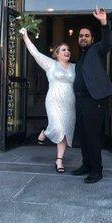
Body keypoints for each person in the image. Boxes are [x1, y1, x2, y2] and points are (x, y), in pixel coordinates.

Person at [20, 28, 75, 173]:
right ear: (57, 54)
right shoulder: (50, 64)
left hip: (70, 101)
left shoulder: (75, 68)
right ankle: (45, 132)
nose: (67, 51)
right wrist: (25, 36)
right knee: (57, 127)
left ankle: (59, 160)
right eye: (63, 50)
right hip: (54, 100)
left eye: (68, 49)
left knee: (65, 130)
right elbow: (35, 53)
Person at [72, 8, 112, 183]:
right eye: (81, 35)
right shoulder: (80, 56)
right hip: (81, 100)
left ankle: (96, 171)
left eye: (86, 35)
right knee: (83, 135)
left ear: (92, 38)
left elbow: (108, 43)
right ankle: (87, 165)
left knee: (93, 136)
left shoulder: (97, 49)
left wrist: (104, 23)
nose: (83, 38)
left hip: (93, 100)